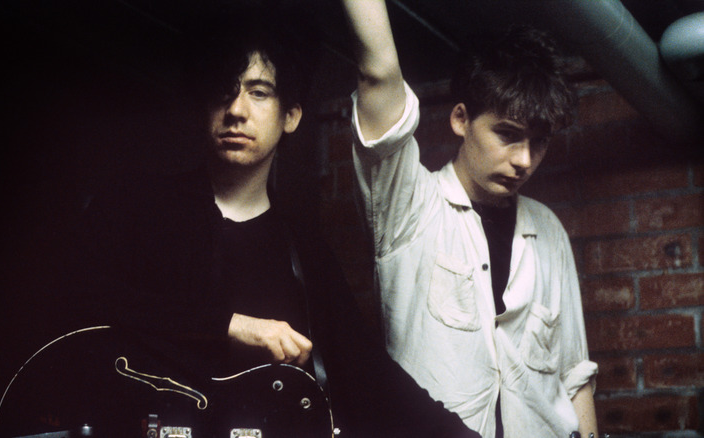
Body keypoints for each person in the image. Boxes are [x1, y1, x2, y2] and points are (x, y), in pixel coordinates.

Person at [61, 5, 480, 437]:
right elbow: (77, 303)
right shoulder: (135, 205)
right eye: (224, 90)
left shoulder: (305, 253)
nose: (236, 110)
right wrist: (230, 326)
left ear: (292, 115)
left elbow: (375, 379)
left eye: (259, 92)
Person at [343, 1, 599, 437]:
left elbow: (575, 376)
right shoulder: (410, 207)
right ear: (461, 119)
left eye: (539, 143)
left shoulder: (548, 230)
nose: (524, 160)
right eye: (508, 135)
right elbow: (380, 74)